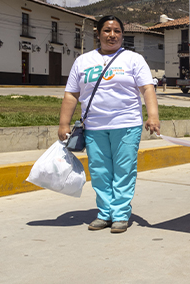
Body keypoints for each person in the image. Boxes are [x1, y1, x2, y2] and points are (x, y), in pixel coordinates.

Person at [58, 15, 160, 234]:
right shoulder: (83, 61)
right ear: (98, 33)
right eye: (107, 30)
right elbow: (71, 94)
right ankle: (104, 213)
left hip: (127, 124)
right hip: (94, 126)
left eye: (116, 31)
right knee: (100, 171)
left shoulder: (133, 59)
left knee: (123, 170)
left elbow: (147, 88)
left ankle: (121, 214)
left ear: (122, 35)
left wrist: (153, 116)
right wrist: (63, 124)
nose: (112, 35)